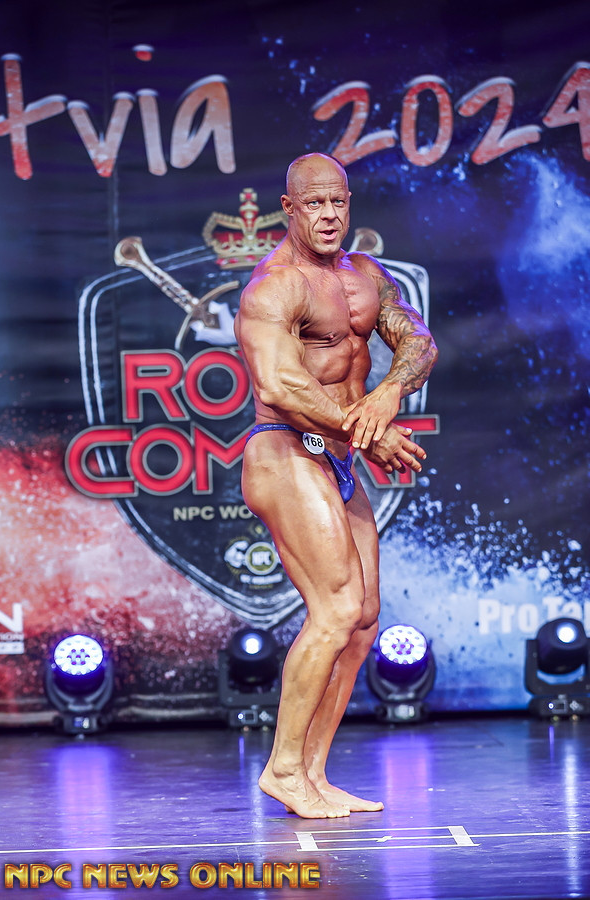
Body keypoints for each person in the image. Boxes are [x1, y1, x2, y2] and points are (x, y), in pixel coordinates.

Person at [234, 153, 438, 819]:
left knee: (362, 620)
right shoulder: (273, 288)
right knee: (335, 608)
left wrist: (388, 392)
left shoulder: (365, 276)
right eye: (314, 204)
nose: (328, 215)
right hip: (285, 450)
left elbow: (419, 342)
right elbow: (280, 385)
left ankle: (312, 774)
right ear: (289, 209)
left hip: (338, 456)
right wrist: (368, 430)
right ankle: (282, 768)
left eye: (338, 203)